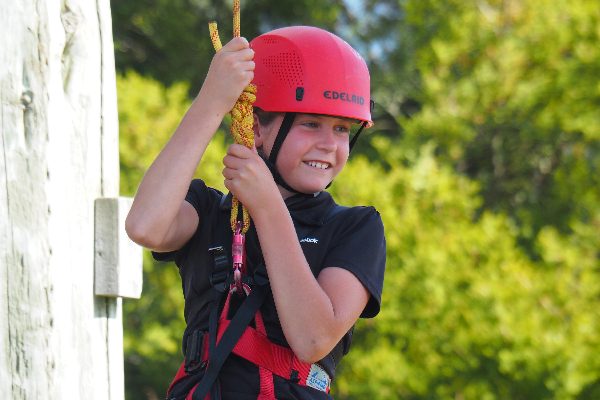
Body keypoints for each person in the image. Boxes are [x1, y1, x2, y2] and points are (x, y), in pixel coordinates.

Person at [125, 25, 386, 400]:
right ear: (255, 129)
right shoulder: (210, 211)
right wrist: (213, 101)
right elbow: (145, 225)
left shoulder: (354, 228)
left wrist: (267, 206)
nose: (329, 144)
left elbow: (313, 339)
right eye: (311, 124)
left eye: (343, 129)